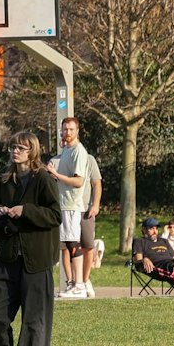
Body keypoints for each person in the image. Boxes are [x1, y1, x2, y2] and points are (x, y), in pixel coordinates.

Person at [0, 130, 56, 346]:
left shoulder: (43, 179)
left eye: (21, 148)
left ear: (32, 151)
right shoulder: (4, 178)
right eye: (13, 147)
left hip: (36, 259)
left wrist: (26, 211)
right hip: (8, 257)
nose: (15, 151)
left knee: (34, 320)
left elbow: (54, 214)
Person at [46, 117, 103, 300]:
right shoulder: (65, 154)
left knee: (78, 245)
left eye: (71, 129)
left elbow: (80, 182)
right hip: (63, 204)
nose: (67, 133)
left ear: (77, 131)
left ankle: (80, 283)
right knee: (69, 245)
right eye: (65, 129)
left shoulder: (80, 152)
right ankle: (74, 284)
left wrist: (56, 174)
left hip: (75, 205)